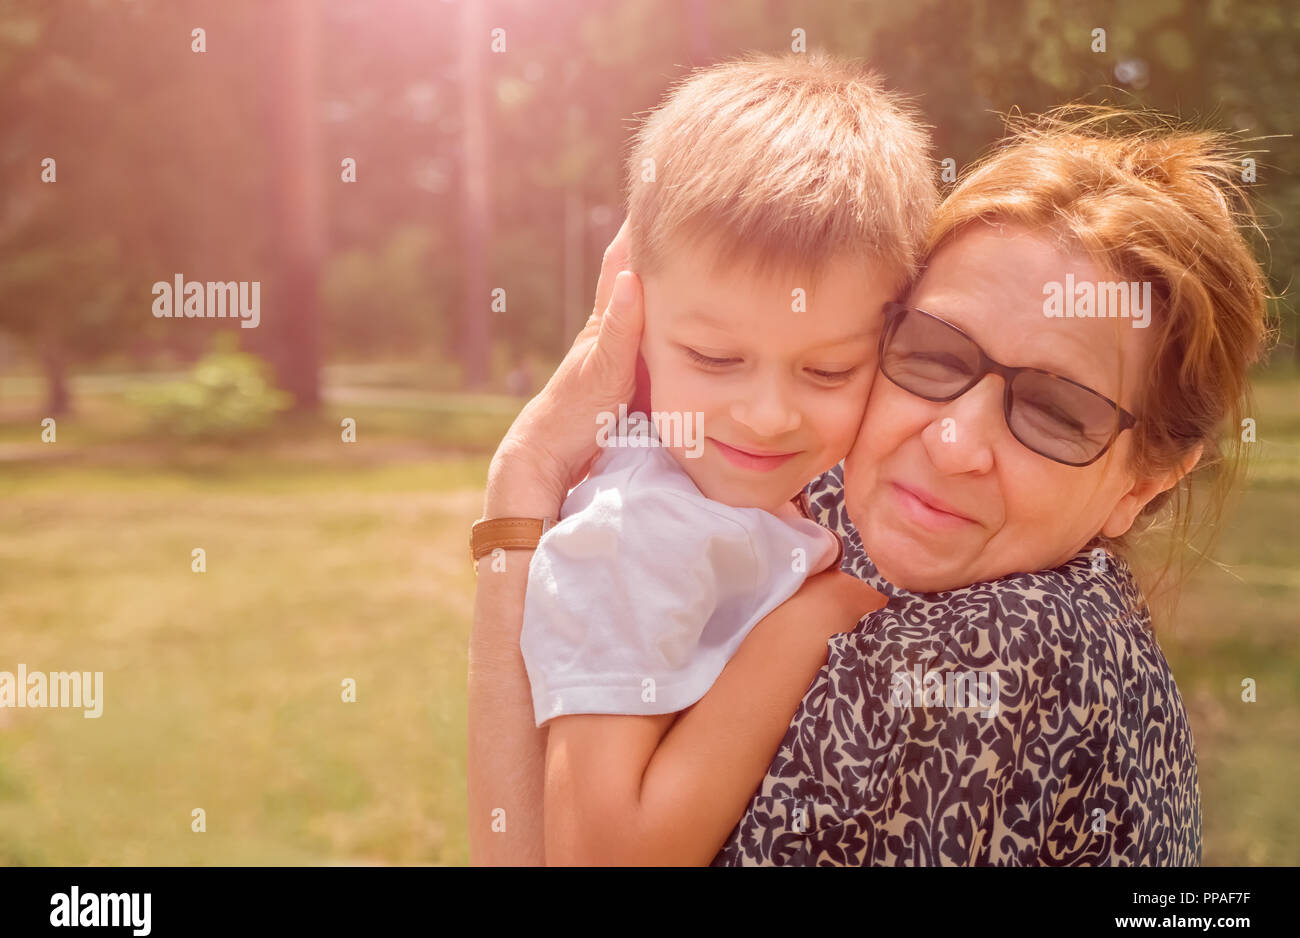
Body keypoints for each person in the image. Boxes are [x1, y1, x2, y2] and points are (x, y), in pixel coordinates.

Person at [469, 105, 1271, 865]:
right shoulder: (829, 522)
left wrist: (528, 492)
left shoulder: (1004, 652)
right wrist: (529, 472)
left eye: (1057, 412)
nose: (955, 443)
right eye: (935, 355)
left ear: (1145, 482)